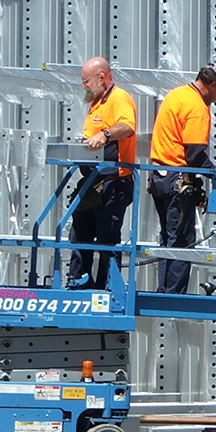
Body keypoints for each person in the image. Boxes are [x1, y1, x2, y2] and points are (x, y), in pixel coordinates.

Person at [149, 63, 216, 294]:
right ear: (212, 84)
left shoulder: (177, 95)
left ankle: (164, 290)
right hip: (177, 178)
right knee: (181, 241)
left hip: (159, 176)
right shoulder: (197, 107)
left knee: (168, 237)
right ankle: (172, 295)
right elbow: (195, 155)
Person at [68, 57, 137, 290]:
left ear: (101, 77)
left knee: (107, 237)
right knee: (80, 231)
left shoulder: (119, 99)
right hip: (91, 182)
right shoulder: (96, 103)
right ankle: (79, 281)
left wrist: (105, 135)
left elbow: (127, 126)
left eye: (86, 81)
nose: (83, 85)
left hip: (113, 183)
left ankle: (108, 286)